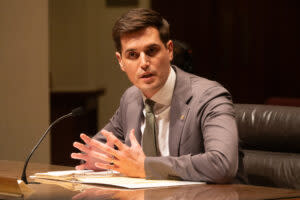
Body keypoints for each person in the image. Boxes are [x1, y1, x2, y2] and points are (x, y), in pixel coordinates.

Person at [71, 8, 242, 183]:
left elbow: (222, 164)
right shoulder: (131, 99)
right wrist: (96, 159)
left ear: (169, 50)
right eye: (132, 55)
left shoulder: (209, 97)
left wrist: (146, 167)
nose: (143, 63)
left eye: (151, 51)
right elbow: (98, 149)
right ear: (121, 61)